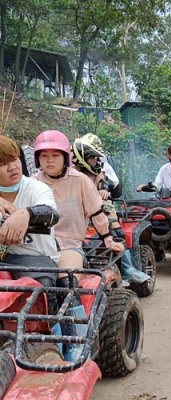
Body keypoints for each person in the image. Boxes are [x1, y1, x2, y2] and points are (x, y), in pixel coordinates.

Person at [33, 129, 124, 361]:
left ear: (66, 157)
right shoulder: (32, 183)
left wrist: (109, 239)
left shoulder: (81, 181)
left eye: (55, 155)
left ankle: (76, 341)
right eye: (44, 156)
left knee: (65, 278)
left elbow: (97, 213)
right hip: (35, 247)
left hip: (68, 245)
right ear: (37, 159)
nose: (49, 160)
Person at [70, 135, 150, 284]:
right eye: (92, 157)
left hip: (99, 208)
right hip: (75, 214)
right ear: (82, 157)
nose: (95, 160)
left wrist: (103, 190)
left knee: (116, 232)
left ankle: (127, 269)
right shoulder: (68, 174)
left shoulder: (96, 169)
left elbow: (103, 181)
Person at [0, 135, 59, 317]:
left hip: (36, 258)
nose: (12, 167)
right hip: (4, 258)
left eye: (14, 159)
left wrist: (27, 214)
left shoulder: (36, 188)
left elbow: (51, 213)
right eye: (2, 164)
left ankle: (59, 339)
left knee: (42, 290)